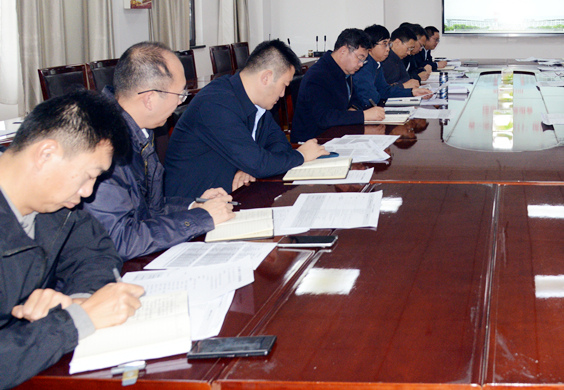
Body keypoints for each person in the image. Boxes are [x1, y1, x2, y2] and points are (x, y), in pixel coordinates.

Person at [1, 91, 145, 388]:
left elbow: (95, 252)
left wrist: (80, 297)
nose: (88, 192)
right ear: (46, 154)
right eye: (89, 175)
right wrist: (77, 319)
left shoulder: (54, 206)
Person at [84, 42, 234, 261]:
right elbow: (119, 240)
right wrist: (200, 218)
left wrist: (194, 205)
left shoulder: (137, 128)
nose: (181, 102)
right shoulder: (103, 145)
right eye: (180, 94)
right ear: (149, 99)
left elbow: (150, 209)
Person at [165, 40, 328, 199]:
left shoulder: (258, 103)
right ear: (266, 77)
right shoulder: (215, 104)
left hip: (230, 197)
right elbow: (259, 163)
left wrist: (249, 167)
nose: (282, 94)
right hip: (193, 206)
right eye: (284, 85)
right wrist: (301, 155)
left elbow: (279, 144)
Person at [291, 28, 385, 142]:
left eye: (363, 61)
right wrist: (364, 115)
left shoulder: (344, 70)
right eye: (360, 58)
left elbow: (356, 99)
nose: (361, 65)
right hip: (313, 141)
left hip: (337, 134)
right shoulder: (318, 75)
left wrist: (353, 109)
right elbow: (324, 118)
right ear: (343, 51)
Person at [352, 24, 432, 109]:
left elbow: (385, 90)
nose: (388, 49)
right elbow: (370, 98)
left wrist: (412, 92)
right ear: (370, 46)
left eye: (388, 44)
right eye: (384, 44)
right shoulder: (363, 66)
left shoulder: (377, 64)